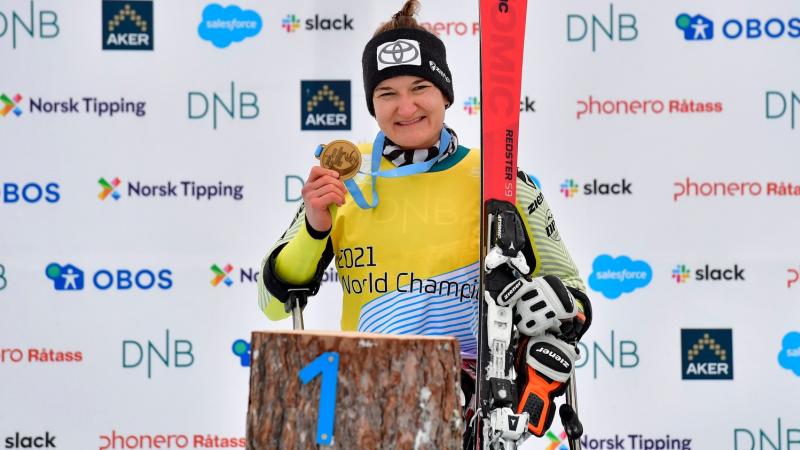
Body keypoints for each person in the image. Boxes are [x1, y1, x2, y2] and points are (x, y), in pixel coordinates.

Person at [257, 0, 593, 443]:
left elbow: (574, 297)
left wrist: (562, 308)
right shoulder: (344, 177)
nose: (406, 107)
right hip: (367, 400)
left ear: (446, 94)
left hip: (471, 407)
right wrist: (316, 226)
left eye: (420, 87)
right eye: (387, 93)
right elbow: (275, 301)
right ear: (372, 104)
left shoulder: (500, 180)